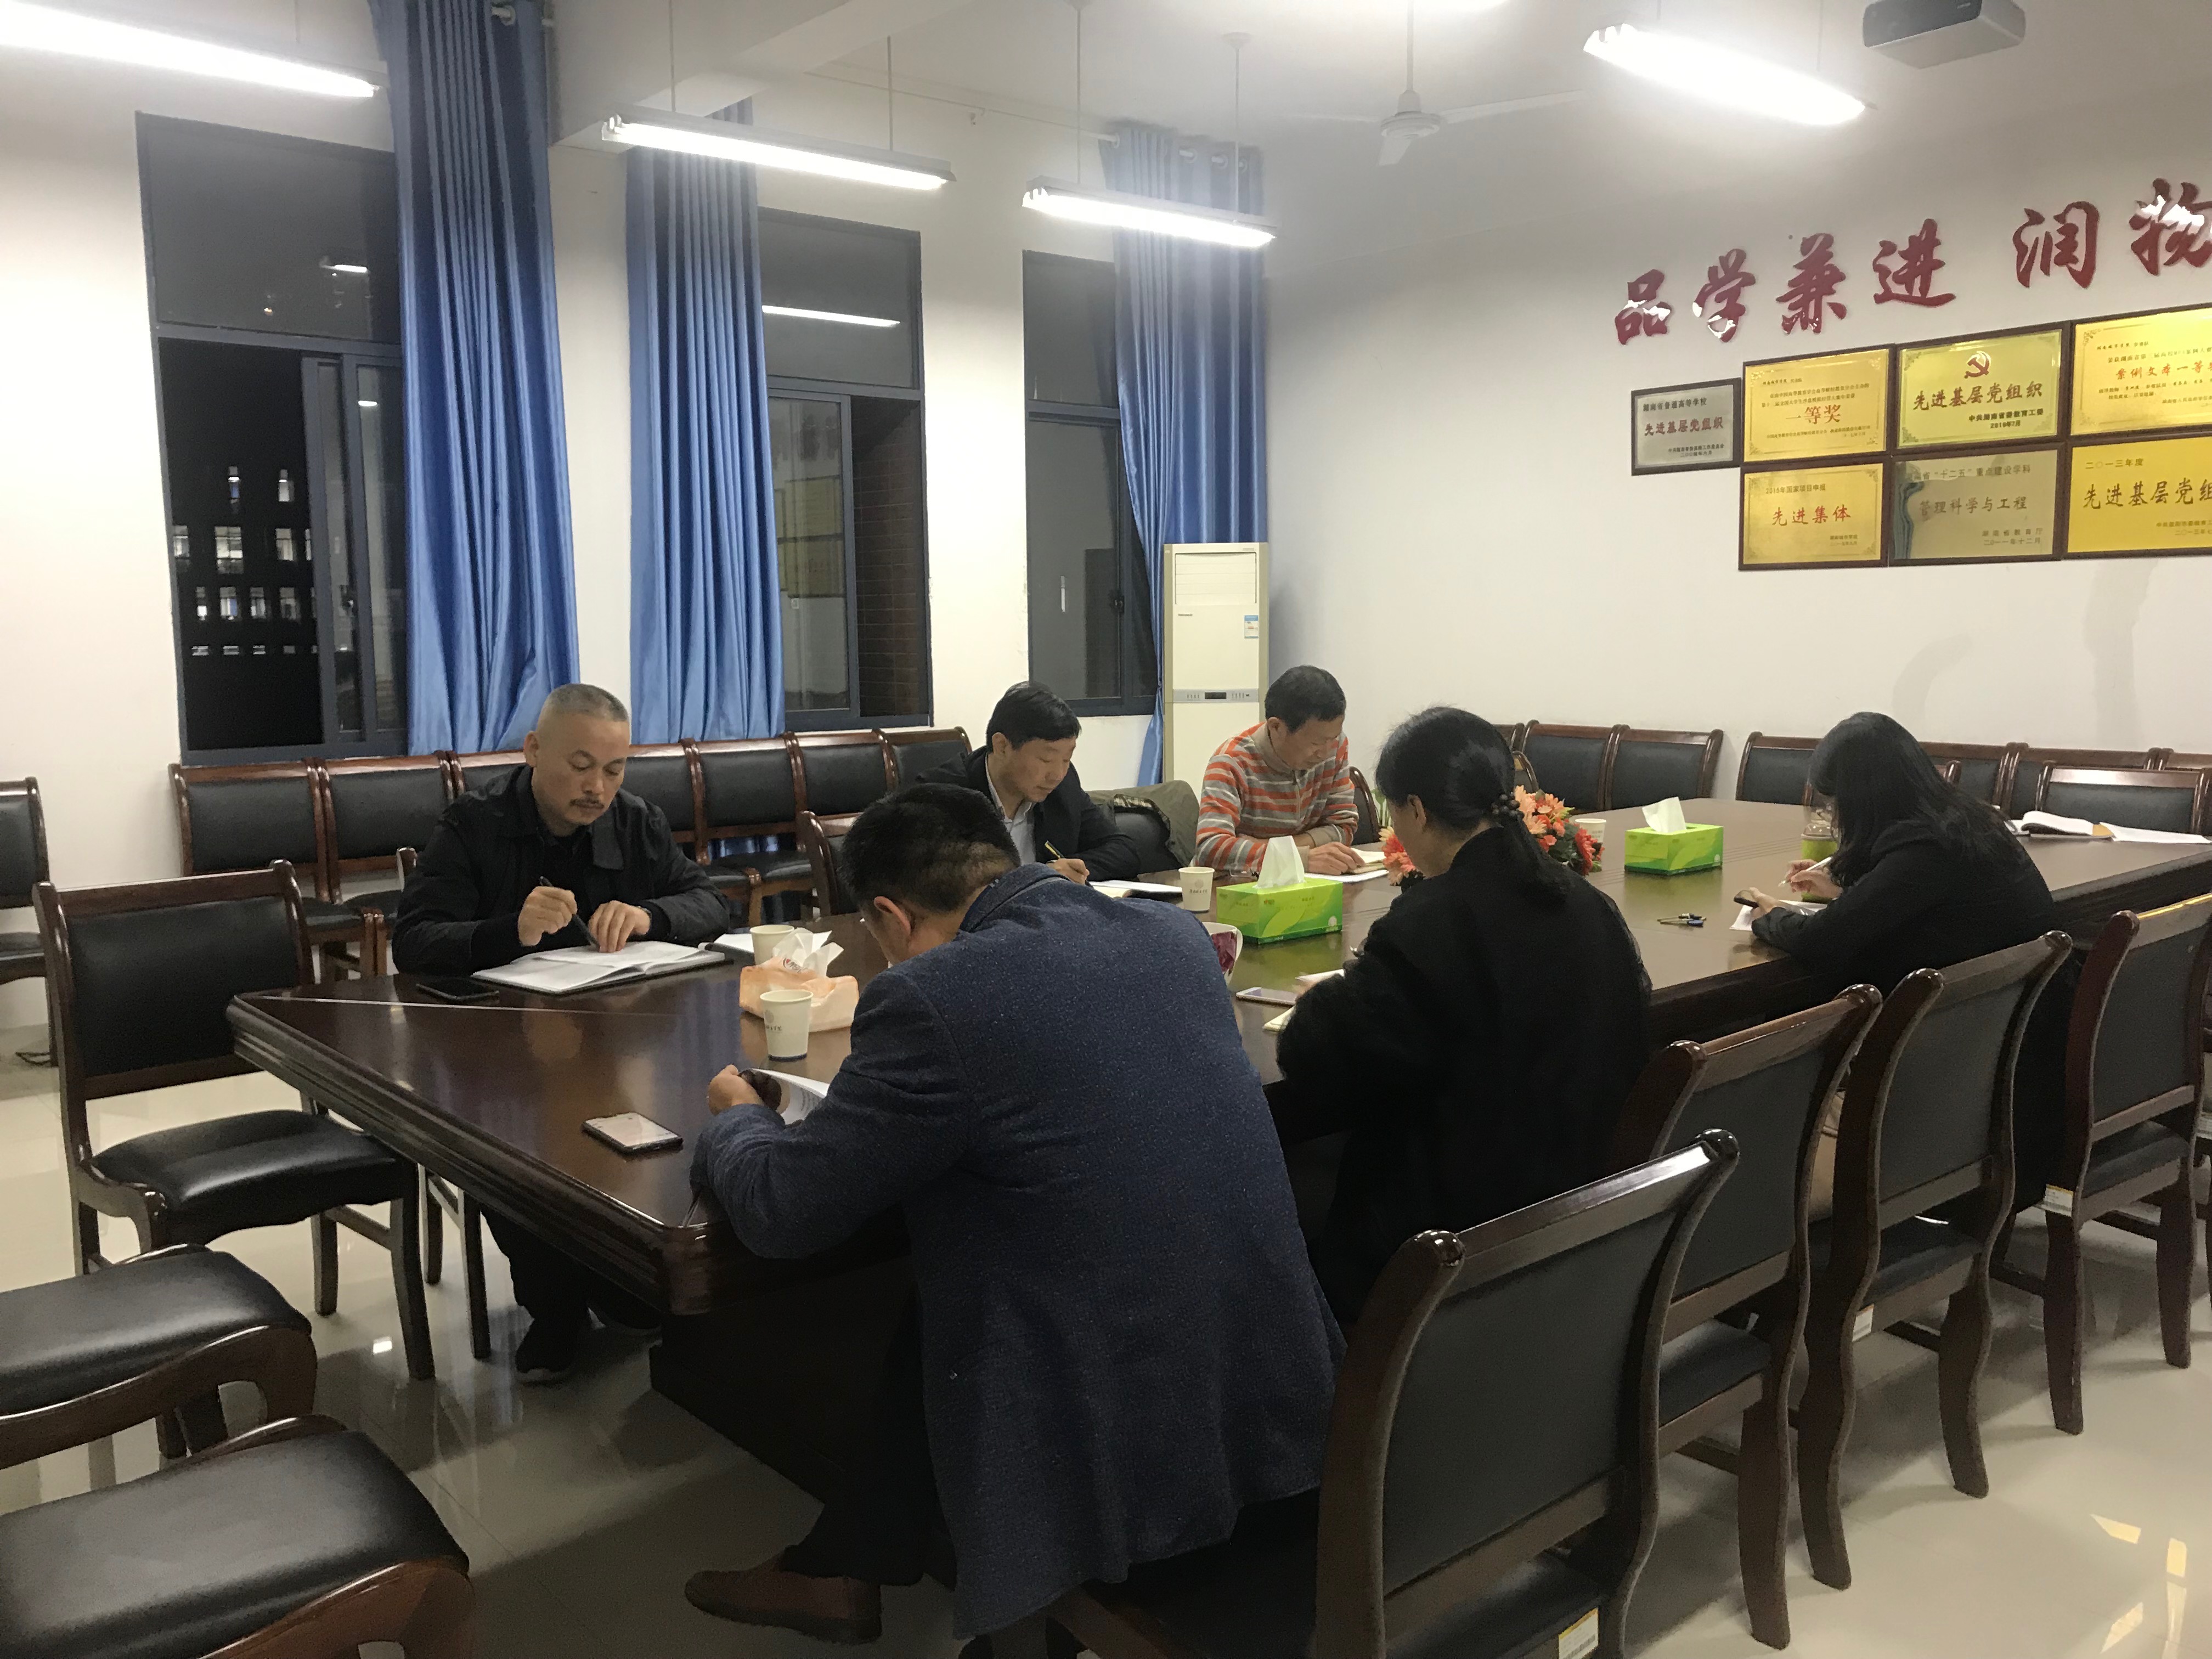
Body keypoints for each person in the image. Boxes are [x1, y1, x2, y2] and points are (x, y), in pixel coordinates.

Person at [682, 785, 1340, 1650]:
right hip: (1274, 1391)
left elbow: (782, 1212)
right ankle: (845, 1561)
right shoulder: (1175, 937)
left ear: (890, 916)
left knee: (969, 1260)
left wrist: (737, 1117)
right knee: (982, 1238)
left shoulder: (932, 997)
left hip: (1127, 1427)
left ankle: (881, 1570)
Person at [391, 682, 729, 1382]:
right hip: (497, 1053)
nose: (597, 787)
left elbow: (712, 901)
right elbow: (414, 941)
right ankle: (555, 1309)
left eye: (614, 769)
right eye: (580, 766)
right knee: (513, 1151)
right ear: (533, 750)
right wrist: (508, 930)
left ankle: (625, 1279)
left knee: (654, 1140)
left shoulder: (635, 821)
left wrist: (650, 917)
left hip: (610, 1041)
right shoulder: (475, 824)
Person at [1270, 707, 1652, 1323]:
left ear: (1416, 811)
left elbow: (1315, 1055)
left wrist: (1337, 992)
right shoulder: (1586, 904)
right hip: (1579, 1230)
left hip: (1448, 1258)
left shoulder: (1433, 923)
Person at [1740, 711, 2069, 1200]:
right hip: (2012, 1045)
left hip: (1956, 1062)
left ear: (1863, 798)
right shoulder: (1967, 820)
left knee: (1786, 1021)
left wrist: (1770, 915)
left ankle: (1769, 1169)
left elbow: (1822, 942)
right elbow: (1926, 907)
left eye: (1836, 803)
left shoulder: (1924, 849)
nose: (1835, 815)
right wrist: (1850, 888)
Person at [923, 680, 1139, 883]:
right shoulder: (942, 797)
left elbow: (1123, 850)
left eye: (1067, 759)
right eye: (1046, 759)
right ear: (1002, 746)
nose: (1057, 774)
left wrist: (1063, 872)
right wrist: (1034, 878)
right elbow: (931, 882)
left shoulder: (1063, 786)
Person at [1195, 664, 1364, 881]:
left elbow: (1344, 826)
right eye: (1316, 743)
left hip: (1308, 886)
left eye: (1334, 738)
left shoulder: (1335, 747)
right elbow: (1211, 848)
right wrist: (1300, 859)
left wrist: (1274, 848)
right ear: (1276, 727)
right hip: (1237, 890)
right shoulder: (1231, 762)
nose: (1326, 752)